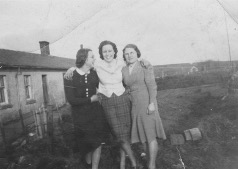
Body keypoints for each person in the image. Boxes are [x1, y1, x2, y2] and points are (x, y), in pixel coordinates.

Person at [65, 40, 149, 169]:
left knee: (124, 135)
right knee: (118, 134)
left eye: (110, 50)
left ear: (114, 51)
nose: (108, 53)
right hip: (107, 102)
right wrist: (71, 68)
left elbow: (134, 61)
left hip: (122, 100)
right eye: (104, 51)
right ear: (101, 53)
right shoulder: (97, 65)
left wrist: (143, 60)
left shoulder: (122, 63)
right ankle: (133, 162)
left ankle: (122, 163)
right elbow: (81, 67)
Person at [122, 44, 166, 169]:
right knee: (144, 135)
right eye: (126, 53)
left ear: (137, 53)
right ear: (124, 56)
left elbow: (152, 85)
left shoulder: (144, 65)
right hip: (134, 105)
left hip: (146, 102)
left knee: (150, 135)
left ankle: (151, 165)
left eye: (132, 52)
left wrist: (152, 103)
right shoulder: (124, 70)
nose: (129, 55)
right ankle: (148, 160)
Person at [64, 48, 109, 169]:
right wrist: (90, 100)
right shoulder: (70, 75)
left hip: (96, 114)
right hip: (80, 116)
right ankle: (88, 164)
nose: (95, 59)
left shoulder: (94, 72)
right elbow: (71, 100)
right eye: (92, 57)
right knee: (87, 145)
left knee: (98, 142)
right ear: (84, 59)